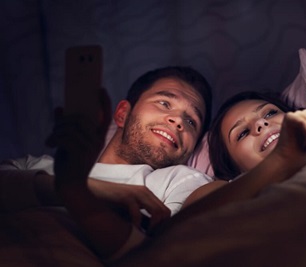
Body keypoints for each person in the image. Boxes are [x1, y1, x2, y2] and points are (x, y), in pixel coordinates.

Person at [111, 34, 306, 266]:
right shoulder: (229, 192)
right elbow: (168, 241)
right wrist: (281, 163)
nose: (261, 124)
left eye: (271, 113)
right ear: (235, 169)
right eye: (244, 133)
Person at [0, 66, 214, 259]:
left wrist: (77, 192)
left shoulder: (181, 181)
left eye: (191, 122)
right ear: (122, 114)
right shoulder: (35, 167)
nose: (177, 121)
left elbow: (163, 257)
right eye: (164, 103)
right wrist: (87, 188)